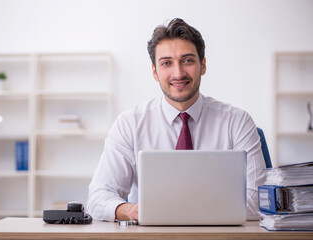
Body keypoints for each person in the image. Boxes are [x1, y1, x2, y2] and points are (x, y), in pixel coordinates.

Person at [87, 18, 266, 222]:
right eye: (166, 63)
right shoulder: (129, 124)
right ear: (155, 71)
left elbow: (259, 201)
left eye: (187, 60)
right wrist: (130, 210)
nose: (178, 73)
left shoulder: (237, 122)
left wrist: (183, 210)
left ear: (203, 65)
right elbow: (97, 199)